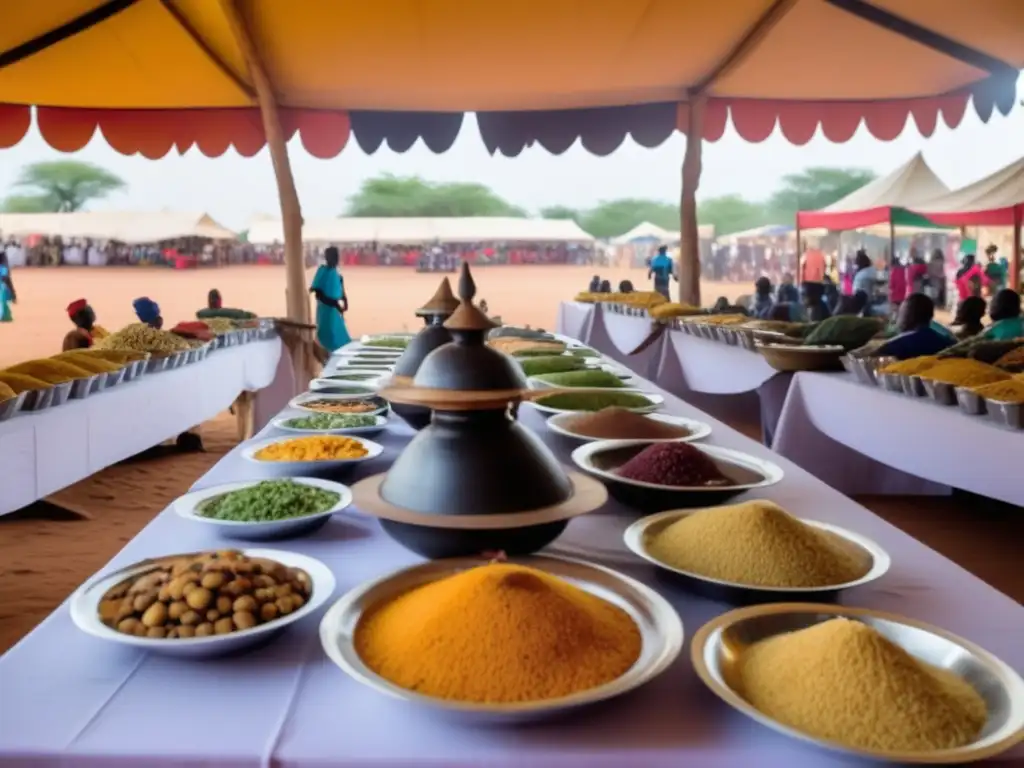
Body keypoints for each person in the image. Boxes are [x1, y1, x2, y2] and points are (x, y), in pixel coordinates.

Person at [875, 293, 955, 360]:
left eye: (900, 314)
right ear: (931, 316)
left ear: (907, 316)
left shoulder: (893, 347)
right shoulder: (949, 345)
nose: (897, 319)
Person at [309, 246, 351, 353]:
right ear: (327, 257)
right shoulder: (323, 271)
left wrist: (345, 300)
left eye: (335, 256)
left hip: (334, 311)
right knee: (328, 334)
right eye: (332, 256)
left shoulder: (336, 273)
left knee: (339, 335)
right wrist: (337, 305)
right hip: (325, 310)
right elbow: (318, 294)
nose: (334, 259)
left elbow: (340, 288)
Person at [887, 253, 907, 318]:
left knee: (895, 313)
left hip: (895, 296)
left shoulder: (893, 271)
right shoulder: (905, 270)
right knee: (903, 313)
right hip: (904, 295)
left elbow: (891, 285)